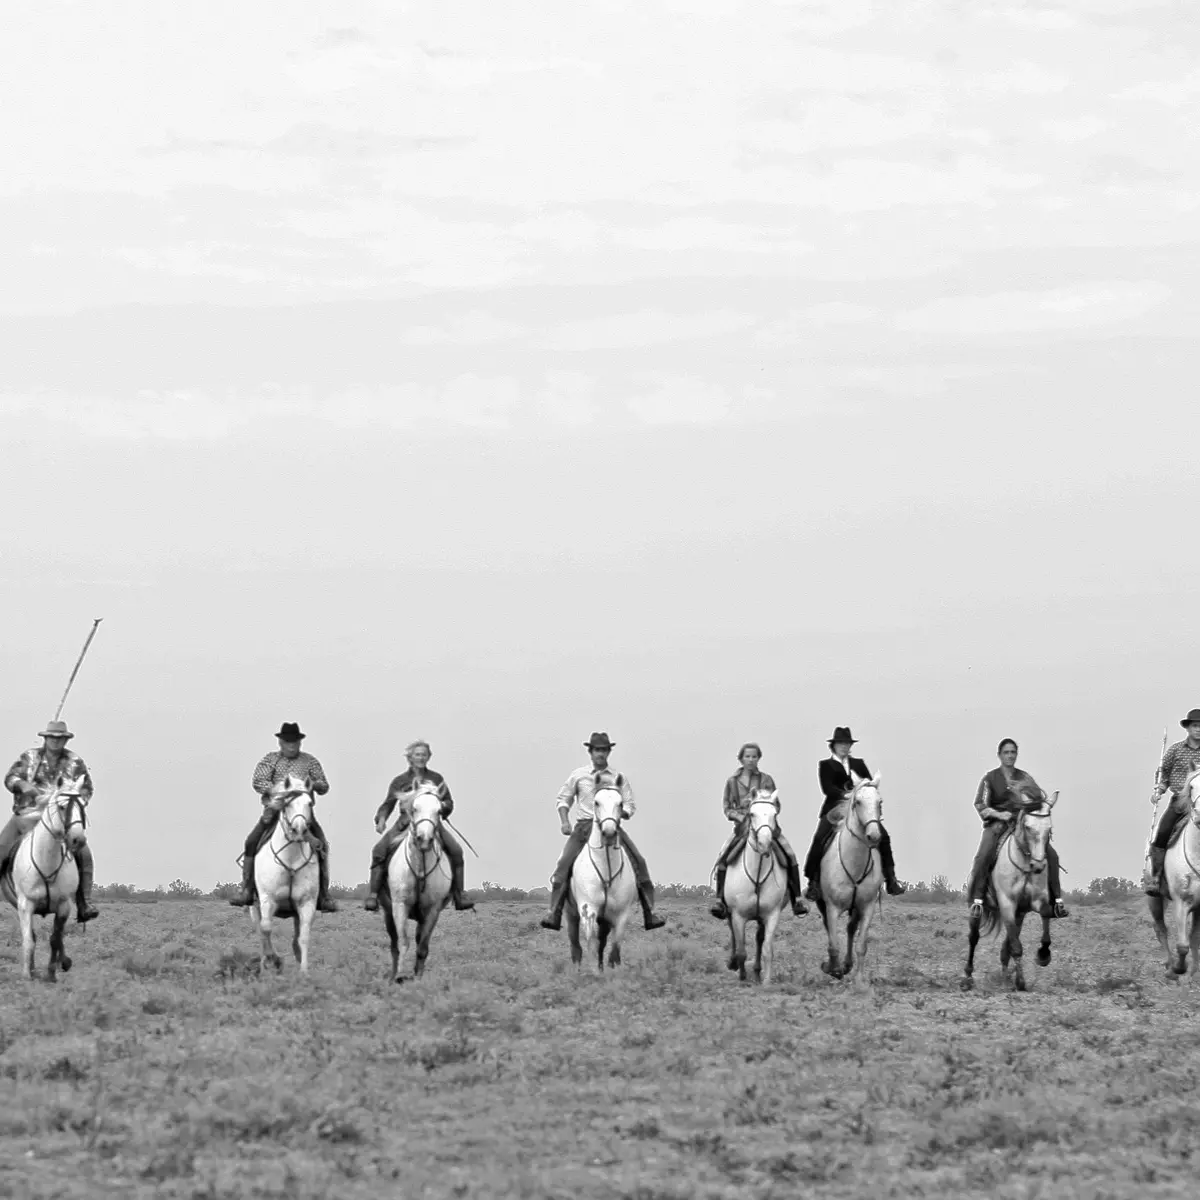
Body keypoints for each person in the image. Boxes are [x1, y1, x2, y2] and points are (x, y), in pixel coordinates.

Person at [539, 732, 666, 932]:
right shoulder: (578, 775)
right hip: (584, 827)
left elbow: (630, 804)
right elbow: (563, 800)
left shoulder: (618, 778)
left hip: (611, 827)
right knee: (562, 866)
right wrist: (564, 821)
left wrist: (622, 812)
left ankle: (650, 912)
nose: (601, 753)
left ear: (609, 752)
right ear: (590, 752)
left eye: (604, 749)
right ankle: (553, 912)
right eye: (597, 749)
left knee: (639, 862)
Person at [229, 722, 338, 913]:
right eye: (288, 742)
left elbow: (324, 785)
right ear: (280, 742)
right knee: (251, 841)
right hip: (275, 812)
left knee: (322, 845)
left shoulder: (310, 762)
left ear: (300, 742)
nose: (292, 746)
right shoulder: (270, 761)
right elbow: (258, 781)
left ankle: (323, 895)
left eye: (295, 742)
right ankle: (246, 889)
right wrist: (277, 791)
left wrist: (315, 785)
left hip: (304, 815)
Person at [2, 720, 99, 922]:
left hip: (60, 820)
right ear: (45, 739)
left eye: (60, 738)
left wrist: (74, 804)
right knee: (1, 847)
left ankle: (84, 903)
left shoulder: (75, 762)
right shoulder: (30, 757)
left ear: (65, 740)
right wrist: (22, 784)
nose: (56, 742)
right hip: (27, 814)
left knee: (84, 852)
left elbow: (86, 789)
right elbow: (10, 778)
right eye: (52, 738)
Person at [363, 739, 475, 912]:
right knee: (379, 850)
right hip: (405, 823)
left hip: (432, 824)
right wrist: (382, 819)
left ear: (428, 757)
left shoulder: (437, 779)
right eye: (417, 754)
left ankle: (459, 894)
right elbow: (388, 803)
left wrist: (442, 807)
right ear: (410, 757)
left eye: (424, 754)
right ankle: (374, 895)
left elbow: (448, 802)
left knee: (456, 852)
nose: (420, 758)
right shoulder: (399, 781)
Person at [967, 738, 1068, 918]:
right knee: (984, 855)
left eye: (1013, 752)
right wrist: (999, 814)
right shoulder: (990, 778)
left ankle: (1056, 901)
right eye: (1006, 752)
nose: (1010, 756)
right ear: (999, 755)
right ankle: (978, 901)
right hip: (997, 825)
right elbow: (980, 804)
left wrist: (1037, 809)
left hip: (1023, 824)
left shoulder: (1025, 778)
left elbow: (1037, 800)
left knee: (1051, 855)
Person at [803, 726, 906, 900]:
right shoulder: (825, 765)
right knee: (820, 837)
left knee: (884, 836)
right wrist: (846, 795)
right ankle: (813, 881)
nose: (844, 746)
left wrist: (866, 793)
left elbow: (867, 783)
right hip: (834, 808)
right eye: (841, 743)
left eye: (847, 743)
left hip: (859, 808)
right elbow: (827, 788)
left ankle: (891, 879)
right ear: (833, 746)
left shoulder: (859, 764)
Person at [710, 742, 808, 919]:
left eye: (754, 756)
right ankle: (720, 900)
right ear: (741, 758)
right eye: (747, 756)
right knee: (723, 857)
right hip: (742, 828)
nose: (750, 759)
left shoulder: (767, 780)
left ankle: (797, 899)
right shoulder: (732, 782)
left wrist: (766, 814)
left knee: (790, 855)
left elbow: (776, 804)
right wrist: (739, 816)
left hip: (766, 826)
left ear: (758, 758)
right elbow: (726, 807)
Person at [1145, 709, 1200, 897]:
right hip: (1180, 802)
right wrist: (1159, 790)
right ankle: (1156, 877)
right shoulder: (1176, 750)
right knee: (1161, 835)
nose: (1199, 729)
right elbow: (1163, 773)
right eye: (1195, 726)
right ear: (1188, 728)